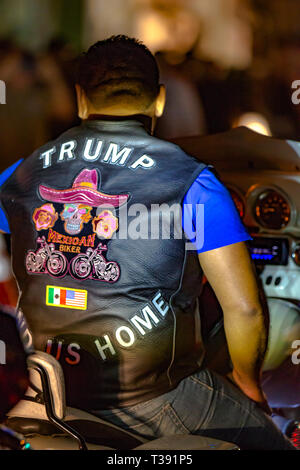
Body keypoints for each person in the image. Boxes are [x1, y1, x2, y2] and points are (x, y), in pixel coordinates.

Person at [0, 35, 295, 450]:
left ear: (82, 100)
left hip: (43, 386)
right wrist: (247, 386)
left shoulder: (20, 174)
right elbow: (244, 309)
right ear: (159, 101)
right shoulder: (192, 181)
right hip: (154, 397)